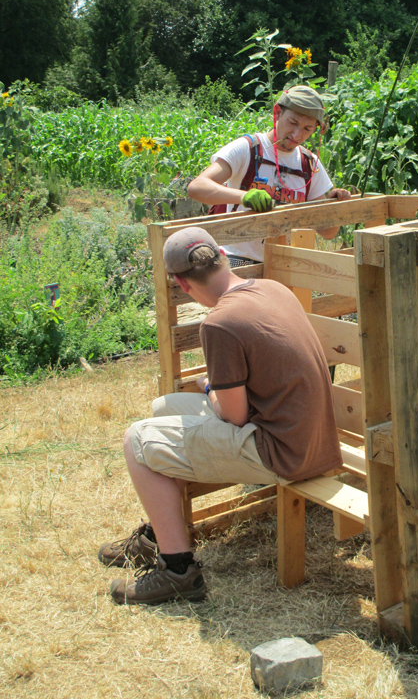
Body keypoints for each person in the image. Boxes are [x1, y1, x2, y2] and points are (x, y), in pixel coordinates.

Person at [99, 226, 342, 605]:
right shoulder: (272, 289)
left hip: (284, 454)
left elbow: (234, 415)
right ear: (223, 258)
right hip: (315, 439)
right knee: (164, 410)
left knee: (137, 441)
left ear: (182, 284)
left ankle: (177, 570)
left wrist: (212, 388)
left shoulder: (219, 323)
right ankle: (157, 535)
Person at [187, 85, 352, 266]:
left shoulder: (309, 164)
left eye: (307, 128)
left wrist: (335, 207)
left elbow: (328, 233)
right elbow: (197, 187)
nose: (297, 135)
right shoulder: (248, 149)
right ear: (278, 112)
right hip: (237, 260)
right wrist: (244, 197)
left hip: (286, 263)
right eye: (293, 123)